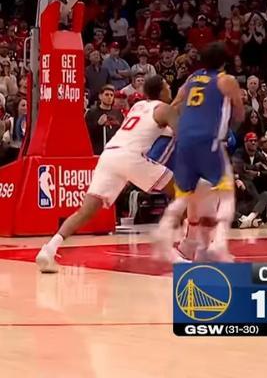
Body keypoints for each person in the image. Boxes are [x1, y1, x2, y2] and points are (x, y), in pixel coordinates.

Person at [36, 76, 178, 272]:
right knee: (182, 192)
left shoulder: (138, 107)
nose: (170, 88)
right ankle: (180, 246)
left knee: (85, 211)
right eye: (167, 86)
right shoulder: (164, 110)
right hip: (131, 157)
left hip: (109, 155)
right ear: (161, 91)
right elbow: (182, 131)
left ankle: (49, 249)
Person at [156, 43, 245, 262]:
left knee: (186, 196)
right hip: (208, 141)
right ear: (224, 60)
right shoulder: (226, 80)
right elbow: (240, 114)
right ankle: (218, 244)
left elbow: (174, 105)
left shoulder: (192, 78)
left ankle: (167, 234)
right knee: (226, 194)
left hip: (184, 140)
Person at [84, 85, 124, 155]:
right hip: (98, 151)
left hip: (114, 152)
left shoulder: (118, 114)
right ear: (100, 96)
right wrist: (99, 125)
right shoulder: (91, 113)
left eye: (111, 95)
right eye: (106, 95)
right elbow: (87, 134)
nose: (109, 97)